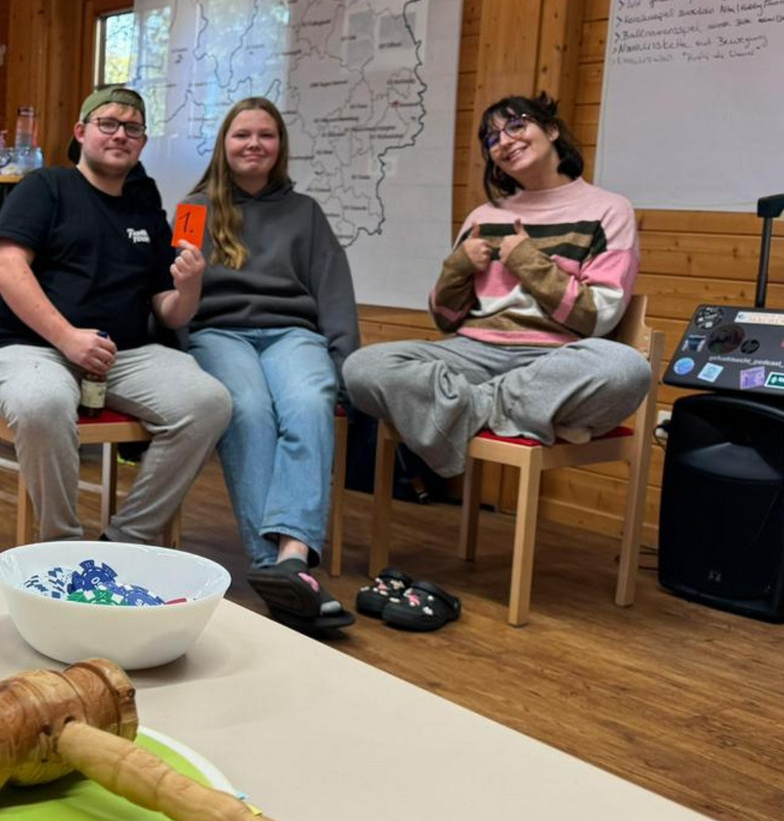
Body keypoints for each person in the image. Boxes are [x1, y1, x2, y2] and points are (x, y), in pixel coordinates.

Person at [342, 93, 650, 482]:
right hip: (471, 355)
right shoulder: (483, 217)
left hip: (555, 359)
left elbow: (598, 316)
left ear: (552, 130)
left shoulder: (609, 209)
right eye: (492, 139)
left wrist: (526, 259)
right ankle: (518, 411)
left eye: (517, 125)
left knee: (626, 369)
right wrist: (457, 267)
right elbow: (445, 319)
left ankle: (469, 407)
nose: (504, 141)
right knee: (361, 367)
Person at [0, 86, 232, 544]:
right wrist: (68, 337)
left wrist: (189, 286)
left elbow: (169, 312)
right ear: (81, 131)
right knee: (42, 403)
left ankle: (128, 541)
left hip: (123, 354)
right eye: (107, 124)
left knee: (209, 403)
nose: (120, 135)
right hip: (26, 345)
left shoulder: (145, 207)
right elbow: (6, 267)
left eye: (132, 129)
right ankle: (62, 547)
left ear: (143, 143)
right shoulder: (45, 187)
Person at [182, 97, 360, 626]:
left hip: (291, 332)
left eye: (266, 135)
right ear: (224, 144)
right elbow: (177, 289)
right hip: (219, 333)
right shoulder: (194, 208)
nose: (254, 144)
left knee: (309, 400)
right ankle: (273, 569)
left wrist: (343, 361)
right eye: (242, 135)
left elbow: (334, 291)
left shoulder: (305, 212)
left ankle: (292, 561)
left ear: (279, 146)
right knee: (251, 411)